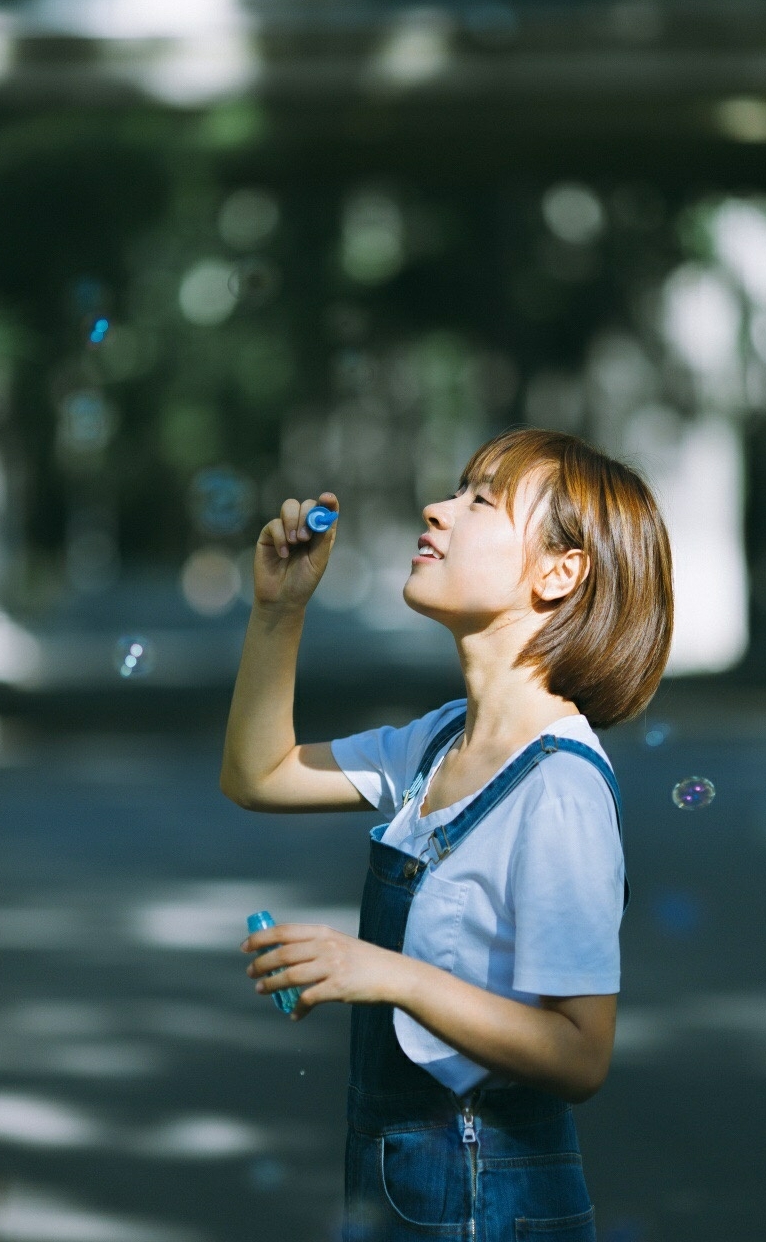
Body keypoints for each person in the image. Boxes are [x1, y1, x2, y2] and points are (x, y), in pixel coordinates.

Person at [221, 426, 673, 1242]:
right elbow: (259, 776)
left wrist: (386, 973)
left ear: (559, 572)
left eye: (481, 502)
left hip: (484, 1203)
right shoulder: (437, 743)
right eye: (455, 492)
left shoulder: (560, 788)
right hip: (396, 1186)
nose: (437, 509)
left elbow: (581, 1055)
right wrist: (279, 609)